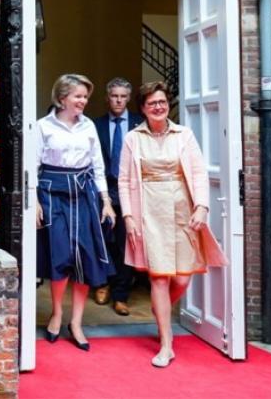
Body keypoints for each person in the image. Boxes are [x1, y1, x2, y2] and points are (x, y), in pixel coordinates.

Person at [119, 81, 227, 368]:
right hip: (149, 211)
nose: (159, 107)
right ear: (142, 108)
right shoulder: (133, 138)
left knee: (181, 278)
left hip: (182, 210)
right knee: (159, 277)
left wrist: (202, 207)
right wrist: (129, 217)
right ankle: (166, 344)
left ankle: (161, 308)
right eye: (152, 103)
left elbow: (199, 173)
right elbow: (125, 180)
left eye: (162, 102)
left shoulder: (184, 135)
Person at [36, 73, 115, 352]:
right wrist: (33, 201)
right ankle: (57, 314)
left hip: (84, 194)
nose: (83, 101)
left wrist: (105, 200)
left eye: (85, 97)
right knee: (60, 258)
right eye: (78, 96)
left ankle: (77, 323)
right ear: (62, 98)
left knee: (85, 258)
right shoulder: (43, 126)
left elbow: (98, 165)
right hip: (52, 195)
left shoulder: (89, 126)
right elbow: (32, 165)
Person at [92, 78, 143, 315]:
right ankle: (102, 283)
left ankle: (121, 294)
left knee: (126, 241)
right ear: (107, 97)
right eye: (115, 96)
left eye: (123, 96)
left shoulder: (139, 124)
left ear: (128, 98)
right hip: (103, 189)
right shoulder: (95, 125)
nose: (119, 100)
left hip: (130, 190)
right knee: (102, 239)